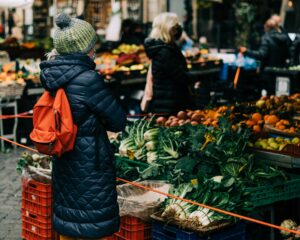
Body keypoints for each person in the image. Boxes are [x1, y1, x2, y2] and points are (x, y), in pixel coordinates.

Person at [39, 13, 126, 239]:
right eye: (92, 45)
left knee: (69, 219)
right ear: (85, 48)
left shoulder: (52, 74)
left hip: (64, 160)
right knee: (90, 224)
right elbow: (118, 121)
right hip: (90, 164)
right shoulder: (88, 79)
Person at [143, 12, 192, 114]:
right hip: (169, 106)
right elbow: (180, 76)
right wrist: (197, 78)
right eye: (175, 28)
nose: (177, 31)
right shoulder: (164, 52)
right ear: (168, 29)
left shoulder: (162, 48)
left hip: (167, 102)